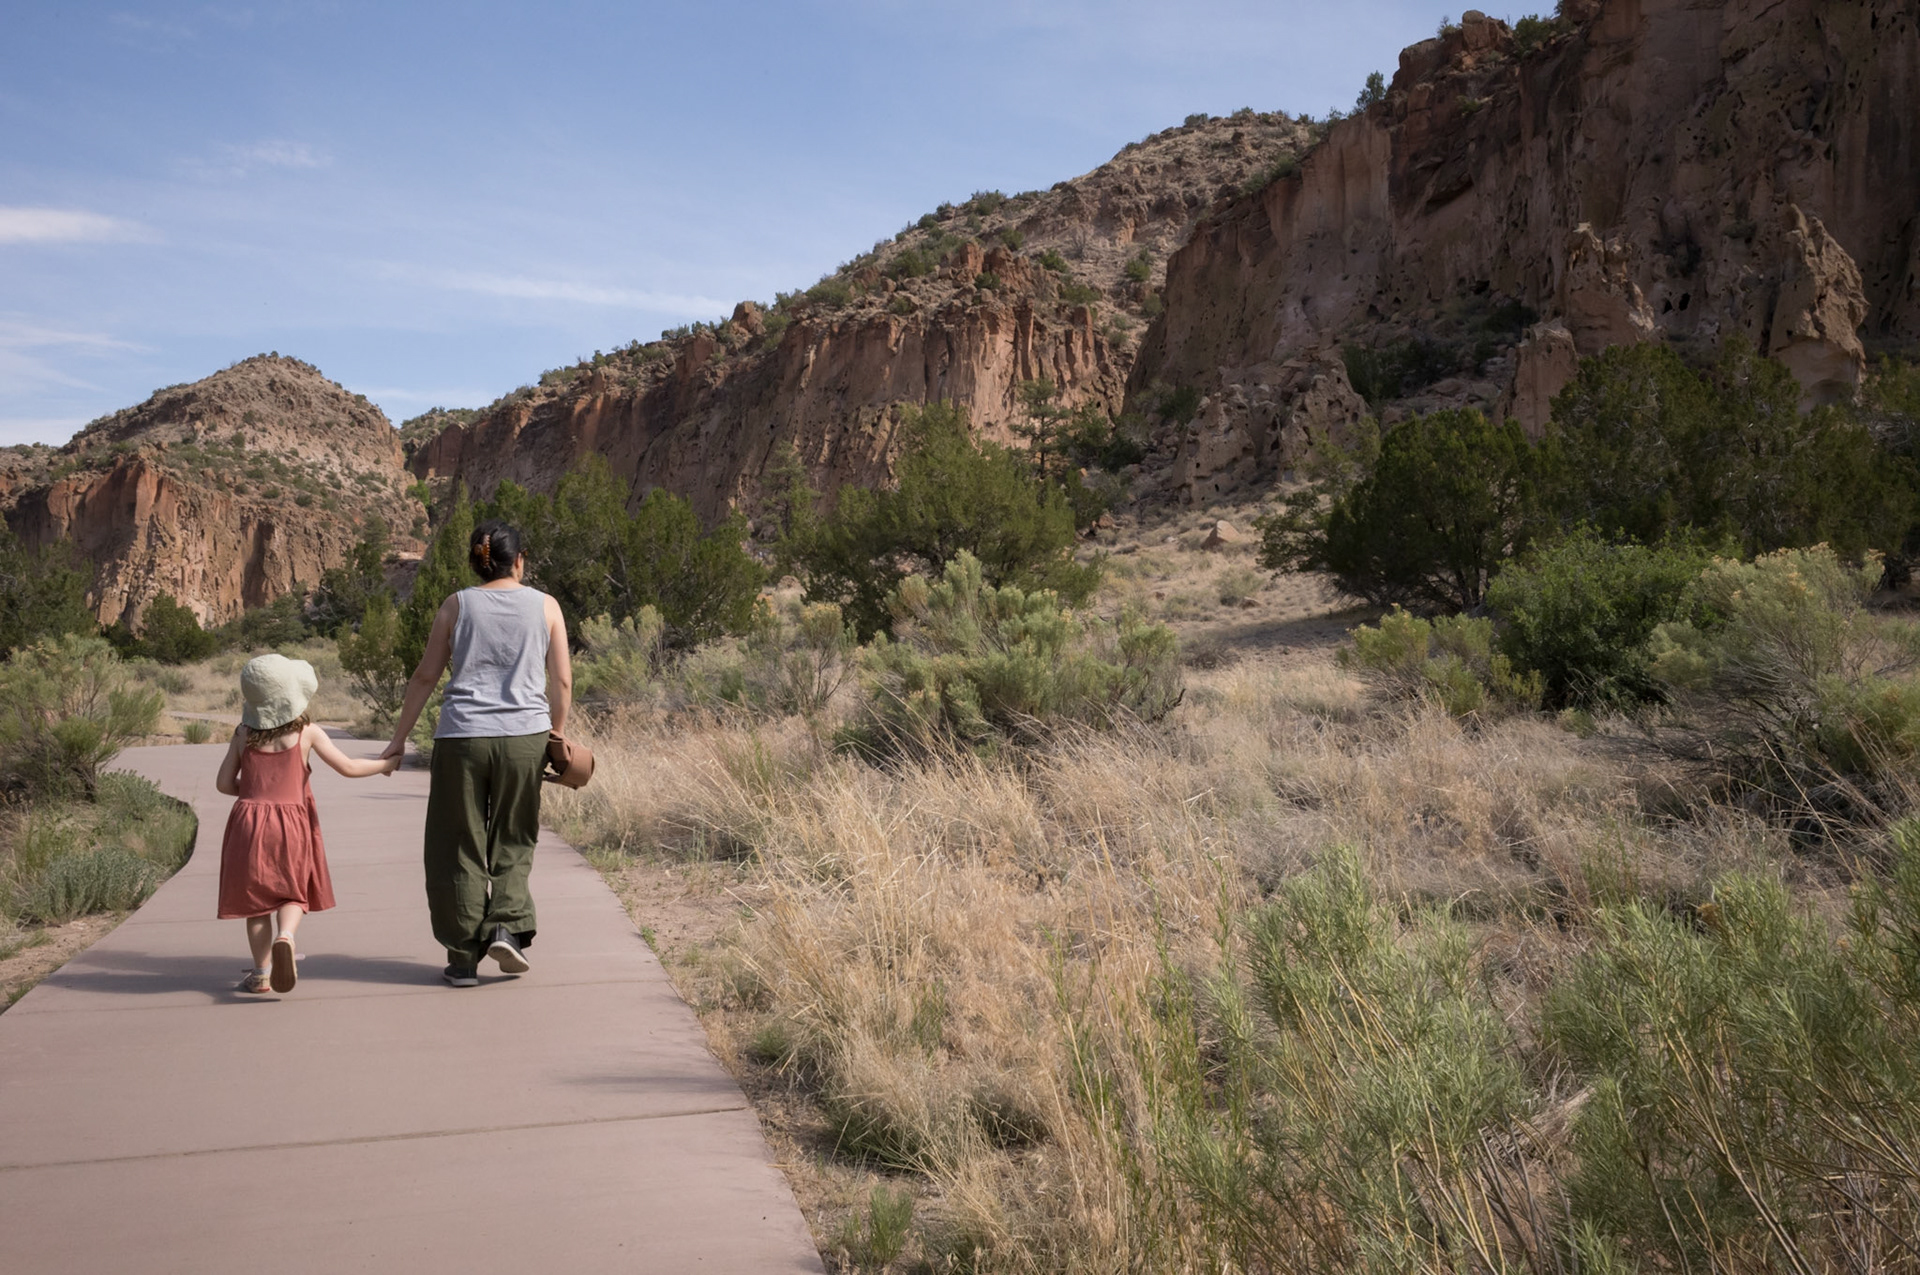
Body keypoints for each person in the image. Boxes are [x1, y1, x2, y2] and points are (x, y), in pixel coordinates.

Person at [381, 519, 573, 987]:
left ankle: (463, 957)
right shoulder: (546, 606)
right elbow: (563, 681)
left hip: (462, 738)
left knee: (457, 843)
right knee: (514, 836)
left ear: (476, 563)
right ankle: (506, 927)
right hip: (525, 738)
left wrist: (399, 739)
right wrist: (556, 734)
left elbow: (425, 676)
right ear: (520, 560)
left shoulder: (457, 604)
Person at [216, 653, 399, 995]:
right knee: (292, 891)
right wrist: (386, 764)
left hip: (249, 824)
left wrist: (257, 791)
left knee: (256, 904)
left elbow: (224, 784)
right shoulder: (306, 733)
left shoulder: (243, 735)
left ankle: (261, 973)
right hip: (291, 824)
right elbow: (348, 768)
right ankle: (286, 936)